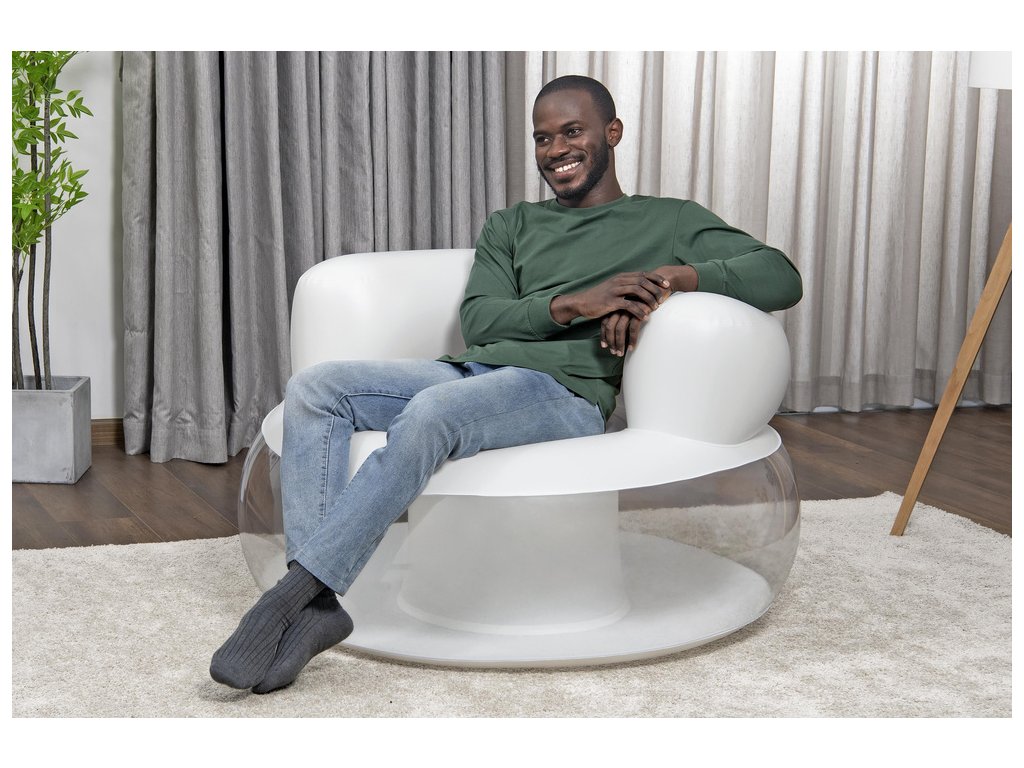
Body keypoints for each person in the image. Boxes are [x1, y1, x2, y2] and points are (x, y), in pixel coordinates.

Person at [210, 74, 802, 694]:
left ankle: (294, 595)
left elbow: (780, 276)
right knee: (316, 389)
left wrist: (666, 279)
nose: (556, 150)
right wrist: (579, 302)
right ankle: (314, 607)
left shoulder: (668, 219)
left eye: (572, 132)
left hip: (563, 392)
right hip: (472, 371)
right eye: (543, 138)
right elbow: (482, 320)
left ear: (612, 133)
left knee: (435, 412)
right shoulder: (512, 224)